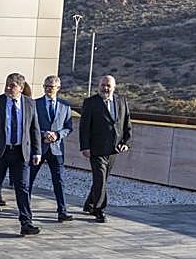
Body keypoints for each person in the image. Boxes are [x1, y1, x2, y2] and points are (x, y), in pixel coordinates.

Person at [0, 72, 42, 236]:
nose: (8, 88)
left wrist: (37, 151)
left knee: (23, 187)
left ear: (21, 88)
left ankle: (26, 222)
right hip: (0, 151)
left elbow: (34, 128)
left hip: (21, 152)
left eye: (12, 85)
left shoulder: (29, 104)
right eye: (7, 84)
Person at [79, 74, 131, 223]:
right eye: (103, 85)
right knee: (100, 178)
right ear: (98, 86)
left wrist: (126, 142)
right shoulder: (90, 103)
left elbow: (126, 123)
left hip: (114, 149)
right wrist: (85, 147)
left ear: (114, 87)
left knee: (102, 178)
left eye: (108, 85)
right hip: (96, 149)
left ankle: (89, 203)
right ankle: (99, 209)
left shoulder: (121, 101)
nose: (105, 88)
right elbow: (84, 127)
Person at [29, 75, 75, 222]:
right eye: (46, 86)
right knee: (28, 179)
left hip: (56, 149)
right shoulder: (35, 104)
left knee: (59, 180)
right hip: (38, 148)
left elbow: (68, 128)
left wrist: (57, 134)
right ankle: (24, 207)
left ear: (58, 88)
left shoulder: (65, 106)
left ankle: (62, 210)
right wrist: (43, 134)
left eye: (52, 86)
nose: (49, 89)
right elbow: (30, 125)